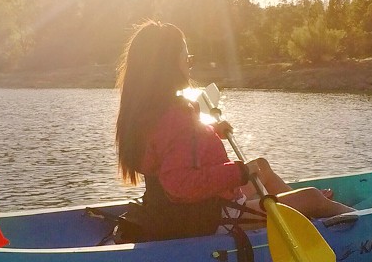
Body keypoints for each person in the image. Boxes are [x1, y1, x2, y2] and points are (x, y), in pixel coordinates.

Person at [115, 21, 356, 240]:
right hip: (206, 218)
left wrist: (209, 130)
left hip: (174, 211)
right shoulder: (175, 115)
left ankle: (302, 214)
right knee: (312, 197)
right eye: (186, 59)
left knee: (261, 167)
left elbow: (173, 147)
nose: (189, 65)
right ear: (168, 65)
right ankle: (357, 219)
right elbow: (181, 184)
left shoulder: (147, 112)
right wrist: (239, 172)